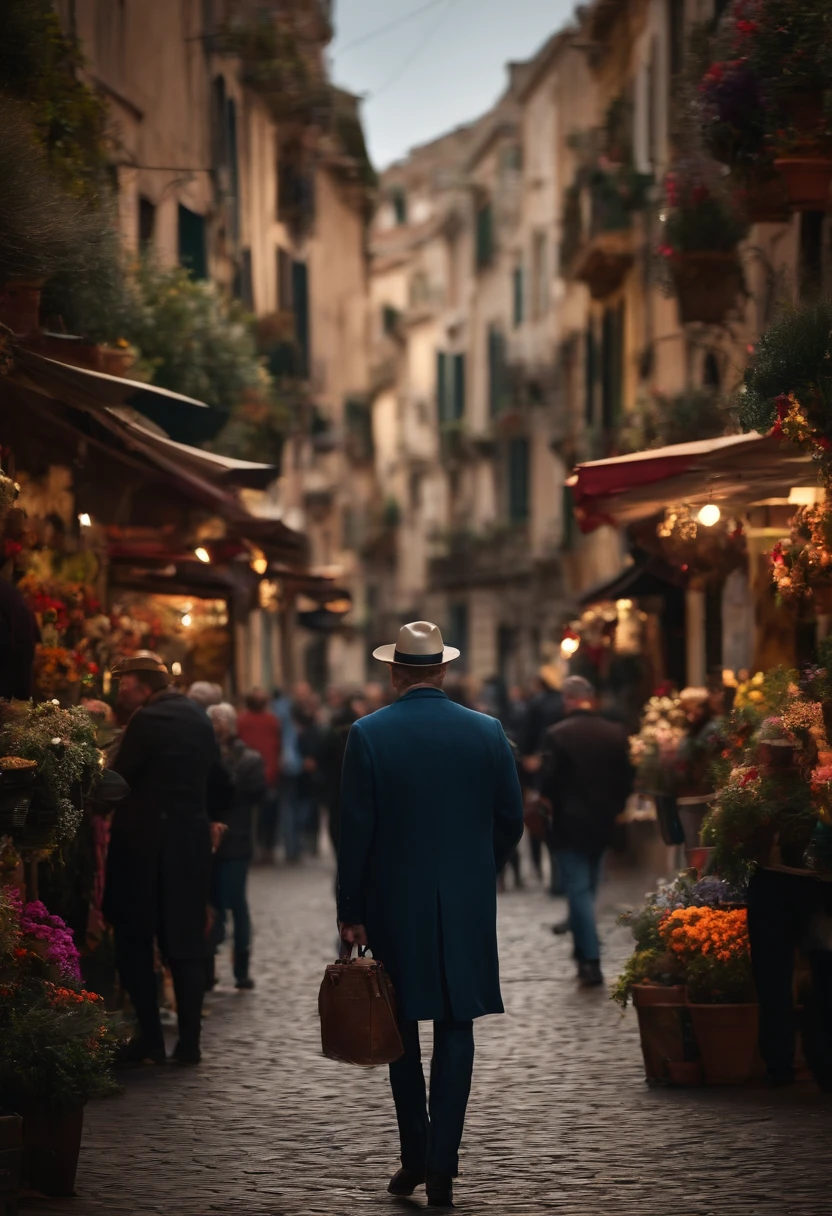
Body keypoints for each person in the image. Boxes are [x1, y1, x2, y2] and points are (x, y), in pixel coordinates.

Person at [338, 621, 523, 1208]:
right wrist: (476, 867)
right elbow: (511, 819)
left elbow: (355, 834)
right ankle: (441, 1165)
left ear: (394, 672)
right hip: (466, 901)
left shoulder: (368, 734)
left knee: (400, 1028)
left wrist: (352, 910)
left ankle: (416, 1155)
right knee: (457, 1024)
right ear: (443, 670)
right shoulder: (487, 731)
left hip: (394, 901)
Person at [104, 653, 225, 1065]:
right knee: (187, 944)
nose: (119, 689)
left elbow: (119, 781)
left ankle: (151, 1040)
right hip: (188, 845)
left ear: (141, 685)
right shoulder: (197, 716)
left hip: (143, 847)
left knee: (135, 941)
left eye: (124, 682)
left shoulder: (145, 719)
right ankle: (189, 1043)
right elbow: (219, 781)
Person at [540, 675, 632, 988]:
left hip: (569, 824)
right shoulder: (615, 733)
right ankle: (583, 951)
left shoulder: (557, 734)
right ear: (590, 698)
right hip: (604, 822)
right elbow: (626, 780)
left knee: (579, 890)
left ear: (568, 699)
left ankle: (591, 959)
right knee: (588, 888)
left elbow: (547, 783)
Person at [206, 703, 266, 990]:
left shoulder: (248, 758)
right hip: (207, 843)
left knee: (235, 904)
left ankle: (240, 967)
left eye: (221, 721)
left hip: (235, 842)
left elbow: (254, 793)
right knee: (210, 905)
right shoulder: (203, 756)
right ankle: (208, 965)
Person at [237, 688, 281, 863]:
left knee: (266, 816)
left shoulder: (270, 720)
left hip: (266, 774)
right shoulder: (243, 720)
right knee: (258, 816)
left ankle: (265, 848)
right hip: (253, 774)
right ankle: (258, 848)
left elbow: (276, 746)